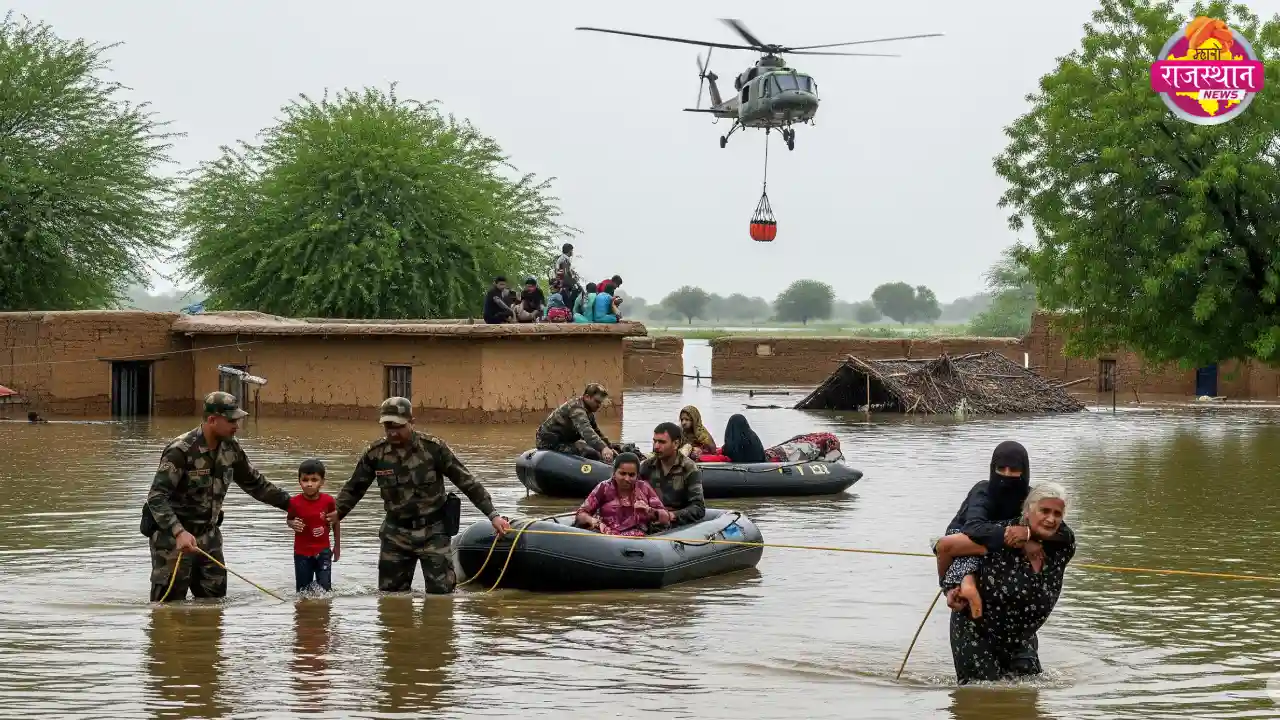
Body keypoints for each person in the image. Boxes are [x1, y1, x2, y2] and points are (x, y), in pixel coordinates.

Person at [325, 397, 512, 593]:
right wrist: (337, 512)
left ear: (411, 422)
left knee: (441, 596)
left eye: (398, 426)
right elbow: (354, 487)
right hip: (395, 533)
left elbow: (467, 482)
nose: (393, 432)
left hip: (434, 532)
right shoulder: (375, 454)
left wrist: (493, 515)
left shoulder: (433, 449)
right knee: (391, 598)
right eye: (388, 426)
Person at [145, 391, 293, 602]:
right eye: (231, 420)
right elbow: (156, 497)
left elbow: (255, 483)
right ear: (212, 420)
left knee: (214, 606)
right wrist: (179, 533)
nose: (237, 426)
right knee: (169, 609)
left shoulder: (230, 448)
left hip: (209, 537)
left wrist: (292, 505)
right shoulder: (181, 451)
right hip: (173, 541)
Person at [942, 482, 1076, 684]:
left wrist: (1030, 534)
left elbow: (1066, 534)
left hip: (1022, 637)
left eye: (1057, 514)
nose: (1051, 519)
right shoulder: (1003, 535)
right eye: (1044, 511)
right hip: (977, 633)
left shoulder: (1063, 547)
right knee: (981, 701)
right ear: (1028, 511)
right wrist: (950, 587)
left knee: (1028, 698)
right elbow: (944, 546)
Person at [575, 452, 669, 536]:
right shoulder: (604, 487)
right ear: (614, 472)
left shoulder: (644, 488)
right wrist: (594, 521)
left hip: (639, 540)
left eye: (631, 475)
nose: (627, 479)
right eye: (622, 474)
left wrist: (649, 511)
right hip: (607, 537)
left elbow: (665, 517)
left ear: (637, 475)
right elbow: (581, 513)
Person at [287, 458, 340, 593]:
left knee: (325, 591)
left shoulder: (328, 501)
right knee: (303, 592)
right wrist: (292, 524)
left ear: (322, 482)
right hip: (301, 552)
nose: (309, 484)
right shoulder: (294, 502)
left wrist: (337, 546)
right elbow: (289, 519)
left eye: (314, 480)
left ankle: (323, 613)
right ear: (299, 481)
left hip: (323, 551)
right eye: (305, 480)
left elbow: (335, 521)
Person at [639, 422, 706, 527]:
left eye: (661, 442)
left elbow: (698, 508)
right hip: (651, 519)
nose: (656, 446)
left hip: (678, 525)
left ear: (675, 444)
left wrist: (671, 516)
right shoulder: (646, 466)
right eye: (654, 441)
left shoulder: (689, 468)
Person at [535, 383, 617, 462]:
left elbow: (596, 432)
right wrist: (603, 448)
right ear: (587, 397)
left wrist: (609, 447)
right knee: (590, 453)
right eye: (597, 401)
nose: (599, 405)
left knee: (592, 449)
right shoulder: (577, 409)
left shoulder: (588, 411)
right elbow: (586, 431)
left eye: (600, 403)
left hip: (564, 441)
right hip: (550, 444)